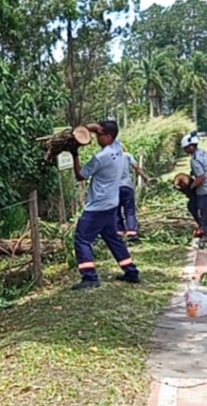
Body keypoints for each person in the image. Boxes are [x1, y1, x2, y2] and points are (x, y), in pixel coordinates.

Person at [67, 120, 140, 290]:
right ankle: (131, 271)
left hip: (97, 207)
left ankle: (89, 276)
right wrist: (88, 130)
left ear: (108, 136)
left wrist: (74, 154)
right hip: (111, 204)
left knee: (82, 239)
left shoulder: (101, 158)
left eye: (100, 135)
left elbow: (80, 176)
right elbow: (100, 129)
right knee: (113, 239)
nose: (97, 137)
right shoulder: (118, 147)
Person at [181, 132, 207, 245]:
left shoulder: (195, 159)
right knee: (192, 205)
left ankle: (206, 235)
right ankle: (203, 227)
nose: (185, 151)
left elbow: (201, 178)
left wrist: (191, 188)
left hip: (205, 189)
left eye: (186, 148)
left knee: (202, 212)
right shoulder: (203, 152)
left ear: (191, 146)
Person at [117, 146, 151, 242]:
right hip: (127, 187)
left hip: (114, 189)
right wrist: (146, 177)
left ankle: (119, 233)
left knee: (116, 211)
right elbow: (136, 167)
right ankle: (132, 233)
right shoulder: (127, 155)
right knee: (130, 211)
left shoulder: (109, 158)